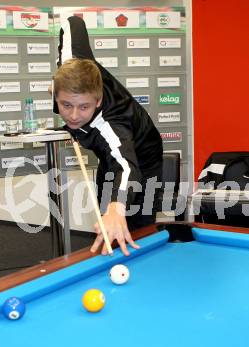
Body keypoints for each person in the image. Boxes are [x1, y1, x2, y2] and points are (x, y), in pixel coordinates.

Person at [50, 16, 163, 256]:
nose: (72, 116)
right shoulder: (72, 65)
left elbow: (127, 167)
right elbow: (72, 23)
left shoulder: (111, 125)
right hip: (109, 157)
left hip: (143, 156)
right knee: (107, 218)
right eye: (65, 104)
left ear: (98, 100)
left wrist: (117, 207)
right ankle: (108, 252)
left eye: (83, 107)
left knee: (134, 222)